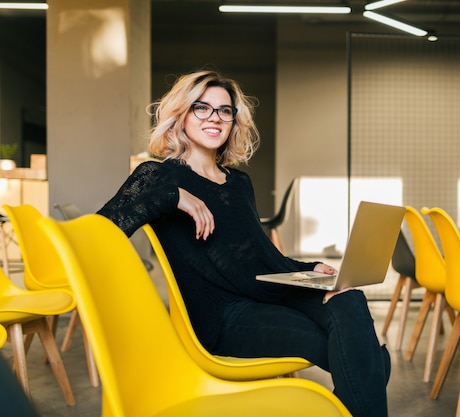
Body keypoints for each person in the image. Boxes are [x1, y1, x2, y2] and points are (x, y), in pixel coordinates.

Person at [97, 69, 390, 416]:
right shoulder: (157, 176)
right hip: (220, 317)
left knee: (348, 297)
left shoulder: (239, 182)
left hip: (264, 294)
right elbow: (102, 230)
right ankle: (373, 368)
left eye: (224, 110)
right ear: (182, 114)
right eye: (201, 108)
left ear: (234, 121)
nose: (215, 118)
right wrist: (173, 196)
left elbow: (256, 255)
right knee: (358, 353)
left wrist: (311, 271)